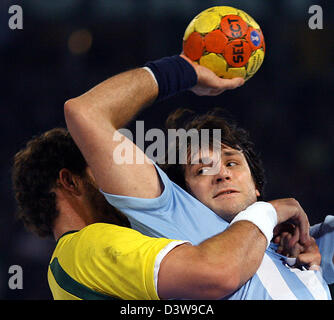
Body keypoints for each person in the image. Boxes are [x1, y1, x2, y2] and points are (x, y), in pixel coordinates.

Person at [64, 54, 334, 299]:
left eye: (232, 163)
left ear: (257, 187)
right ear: (186, 193)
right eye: (201, 169)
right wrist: (182, 69)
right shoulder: (175, 214)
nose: (221, 175)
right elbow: (86, 114)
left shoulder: (302, 244)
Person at [13, 128, 314, 300]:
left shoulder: (66, 264)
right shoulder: (90, 243)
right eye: (101, 174)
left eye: (233, 164)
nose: (115, 184)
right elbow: (215, 273)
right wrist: (267, 212)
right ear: (69, 181)